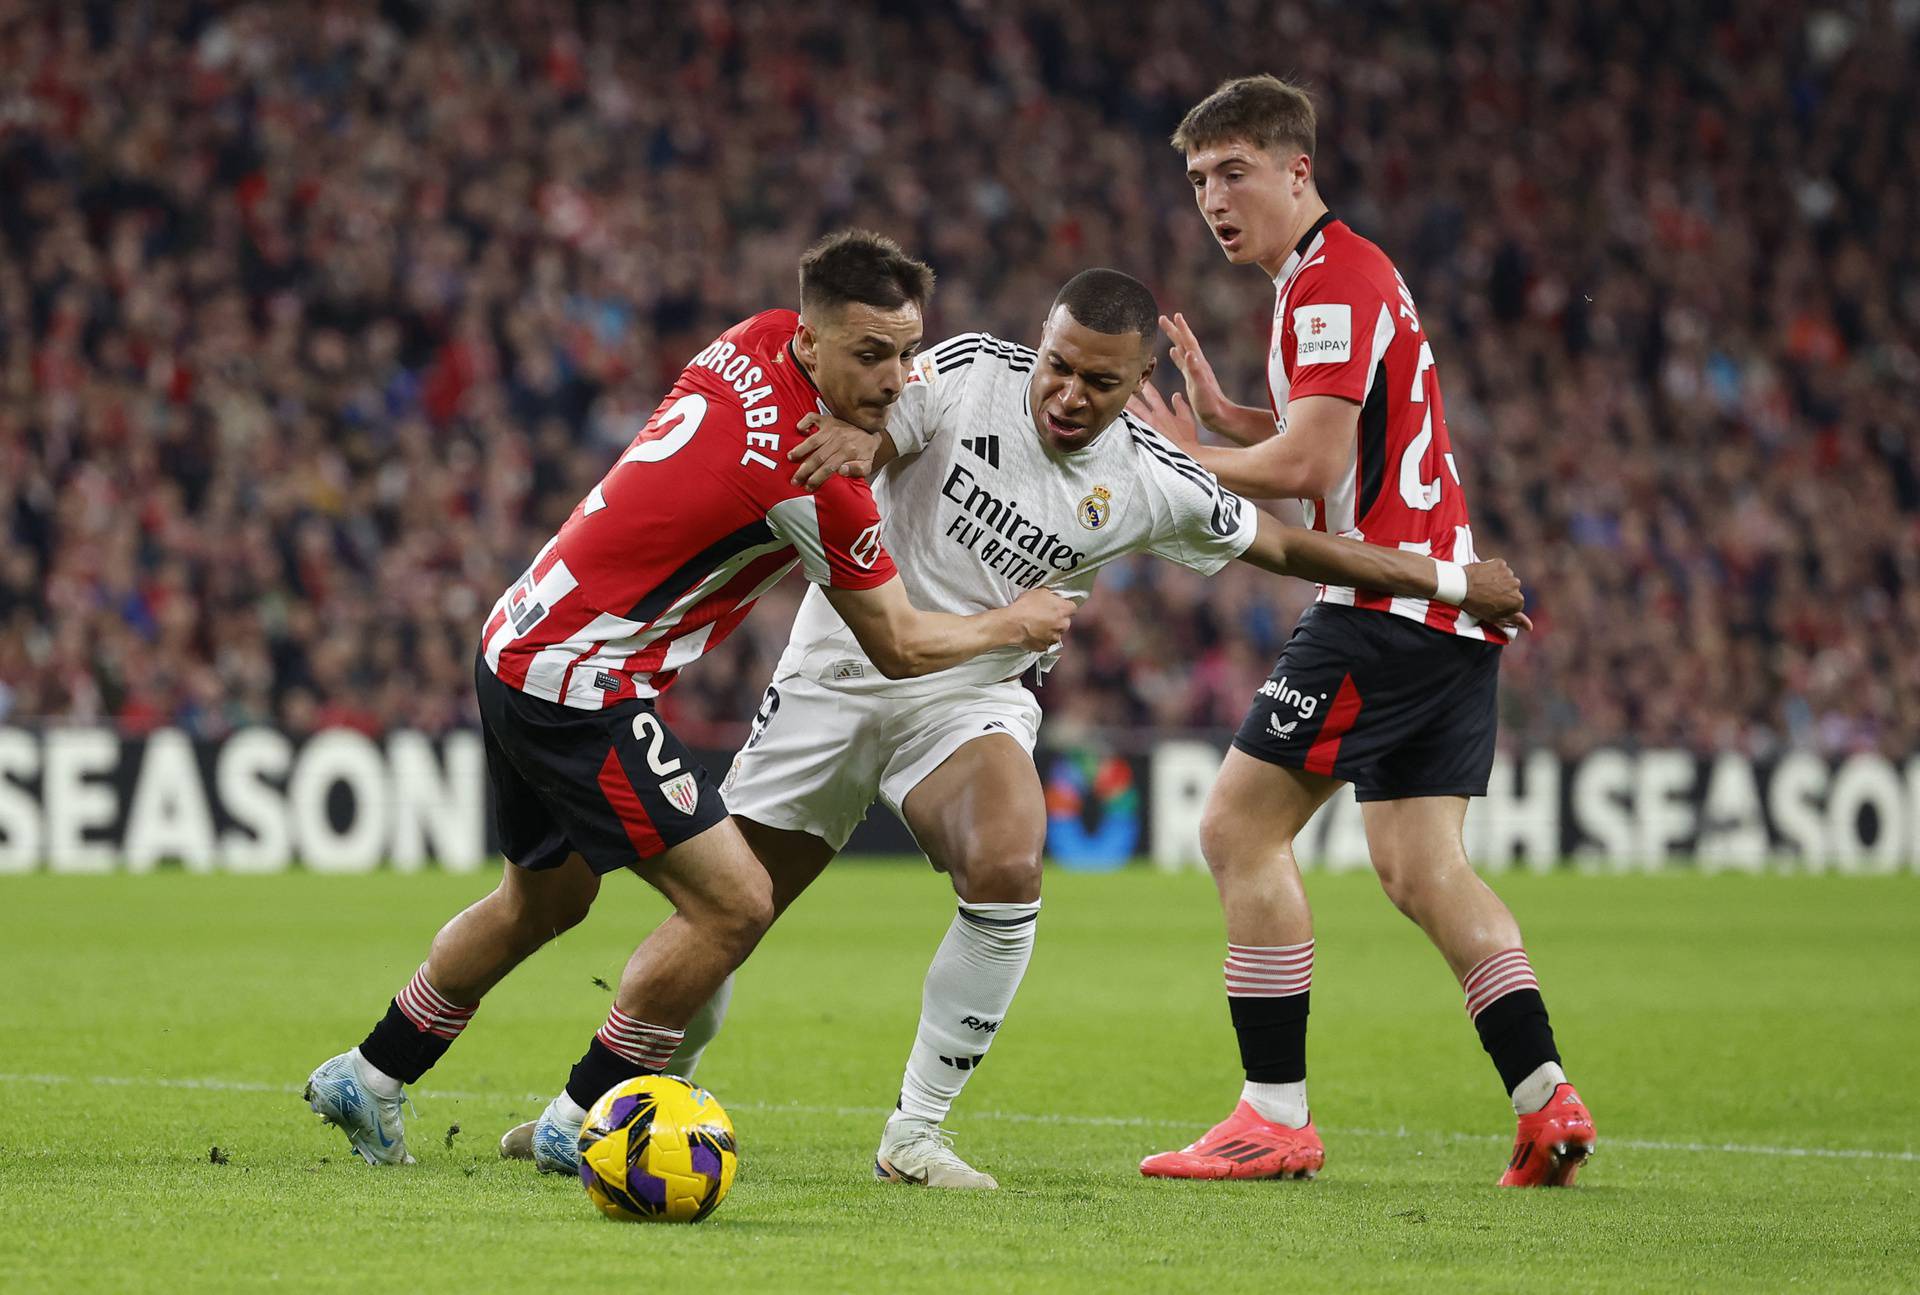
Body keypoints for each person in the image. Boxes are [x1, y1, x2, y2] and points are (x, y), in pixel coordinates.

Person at [500, 266, 1530, 1188]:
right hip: (842, 670)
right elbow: (872, 422)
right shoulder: (963, 371)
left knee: (1007, 860)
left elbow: (1296, 549)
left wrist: (1451, 579)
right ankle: (608, 1100)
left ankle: (916, 1133)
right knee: (730, 918)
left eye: (1100, 382)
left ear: (1137, 390)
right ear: (1039, 343)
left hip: (970, 695)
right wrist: (863, 435)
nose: (1069, 394)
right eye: (1059, 365)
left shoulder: (1152, 478)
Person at [302, 230, 1075, 1166]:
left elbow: (809, 427)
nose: (900, 377)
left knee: (542, 899)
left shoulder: (751, 338)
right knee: (736, 903)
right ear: (814, 339)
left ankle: (372, 1072)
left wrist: (870, 422)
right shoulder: (816, 485)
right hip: (581, 686)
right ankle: (582, 1115)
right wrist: (1016, 623)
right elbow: (903, 643)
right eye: (873, 354)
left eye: (910, 351)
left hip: (516, 639)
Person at [1129, 75, 1596, 1187]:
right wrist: (1232, 418)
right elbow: (1331, 444)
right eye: (1199, 180)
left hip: (1382, 609)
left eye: (1234, 171)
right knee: (1423, 867)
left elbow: (1309, 473)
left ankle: (1272, 1113)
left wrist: (1179, 458)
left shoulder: (1328, 282)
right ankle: (1547, 1098)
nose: (1213, 198)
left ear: (1299, 169)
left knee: (1238, 830)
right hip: (1446, 617)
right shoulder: (1339, 276)